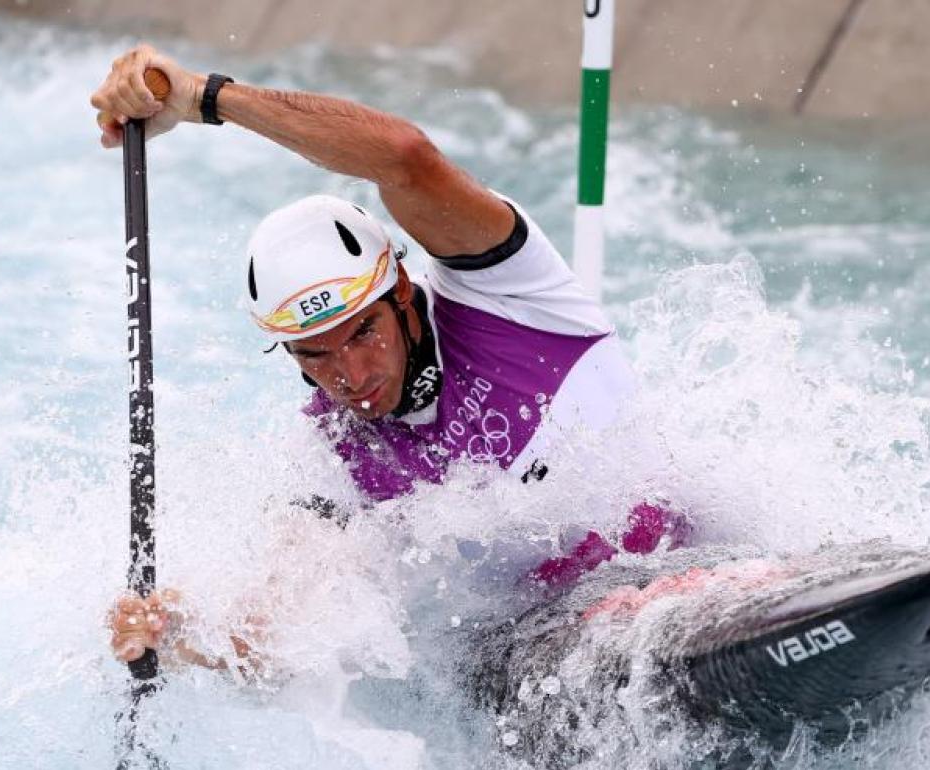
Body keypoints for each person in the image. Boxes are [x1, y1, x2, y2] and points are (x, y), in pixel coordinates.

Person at [94, 46, 690, 673]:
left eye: (361, 334)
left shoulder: (506, 289)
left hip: (690, 575)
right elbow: (274, 639)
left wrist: (204, 97)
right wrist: (178, 631)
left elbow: (404, 158)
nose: (349, 377)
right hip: (545, 659)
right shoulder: (331, 456)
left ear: (401, 292)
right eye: (315, 355)